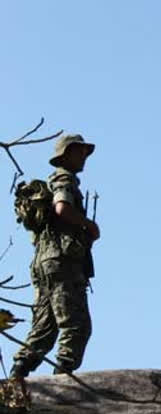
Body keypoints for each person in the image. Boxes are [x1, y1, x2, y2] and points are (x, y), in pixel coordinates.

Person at [10, 134, 99, 382]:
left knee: (44, 329)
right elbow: (62, 208)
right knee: (77, 326)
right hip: (62, 263)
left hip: (43, 264)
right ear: (67, 153)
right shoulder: (64, 179)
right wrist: (89, 225)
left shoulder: (52, 181)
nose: (84, 157)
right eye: (80, 151)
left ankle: (15, 378)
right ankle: (63, 383)